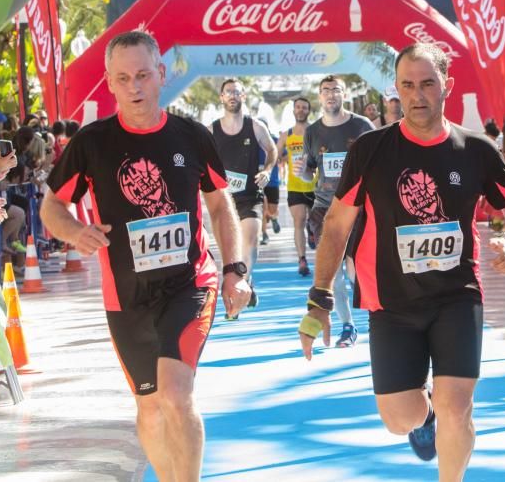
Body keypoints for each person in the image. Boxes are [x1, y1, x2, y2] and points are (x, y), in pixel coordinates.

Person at [298, 43, 505, 479]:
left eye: (427, 83)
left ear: (447, 85)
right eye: (407, 85)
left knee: (457, 406)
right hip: (393, 305)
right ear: (397, 90)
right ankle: (422, 416)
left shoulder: (475, 149)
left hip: (456, 297)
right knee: (398, 418)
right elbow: (336, 225)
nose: (417, 94)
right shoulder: (370, 149)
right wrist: (320, 298)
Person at [40, 30, 246, 481]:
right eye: (123, 78)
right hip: (126, 296)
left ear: (161, 76)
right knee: (150, 407)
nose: (134, 87)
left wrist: (235, 270)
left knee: (176, 392)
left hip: (190, 283)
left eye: (143, 75)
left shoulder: (190, 135)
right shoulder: (92, 143)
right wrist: (76, 231)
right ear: (110, 84)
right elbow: (51, 206)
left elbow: (219, 203)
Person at [301, 75, 375, 347]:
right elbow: (311, 169)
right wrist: (305, 171)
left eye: (335, 90)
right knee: (334, 274)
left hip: (359, 207)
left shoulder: (362, 125)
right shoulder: (312, 131)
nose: (330, 94)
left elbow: (377, 163)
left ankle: (379, 317)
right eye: (325, 91)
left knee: (357, 272)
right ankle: (348, 326)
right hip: (324, 208)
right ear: (320, 97)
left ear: (343, 94)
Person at [210, 78, 278, 314]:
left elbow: (272, 149)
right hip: (224, 200)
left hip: (251, 196)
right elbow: (202, 160)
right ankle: (243, 282)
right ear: (221, 97)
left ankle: (242, 285)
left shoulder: (255, 126)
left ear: (243, 97)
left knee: (251, 240)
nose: (232, 96)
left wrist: (267, 170)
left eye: (237, 92)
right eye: (228, 92)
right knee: (231, 248)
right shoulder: (212, 130)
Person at [279, 96, 316, 276]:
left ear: (309, 111)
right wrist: (284, 158)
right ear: (293, 110)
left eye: (304, 107)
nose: (301, 110)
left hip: (316, 186)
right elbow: (275, 155)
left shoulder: (316, 131)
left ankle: (312, 228)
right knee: (298, 220)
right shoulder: (287, 135)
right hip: (294, 186)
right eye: (298, 107)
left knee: (315, 222)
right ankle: (302, 259)